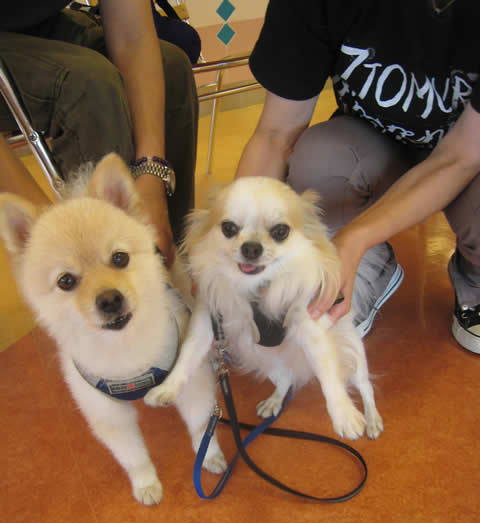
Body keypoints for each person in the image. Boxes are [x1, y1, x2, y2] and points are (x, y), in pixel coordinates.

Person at [237, 0, 480, 353]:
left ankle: (475, 276)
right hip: (371, 144)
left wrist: (355, 238)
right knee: (321, 158)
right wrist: (241, 242)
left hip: (465, 153)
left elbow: (461, 157)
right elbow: (275, 134)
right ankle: (371, 268)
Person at [0, 0, 199, 265]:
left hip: (38, 25)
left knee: (169, 65)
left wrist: (152, 172)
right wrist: (44, 228)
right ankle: (100, 265)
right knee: (88, 83)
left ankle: (171, 264)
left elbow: (133, 34)